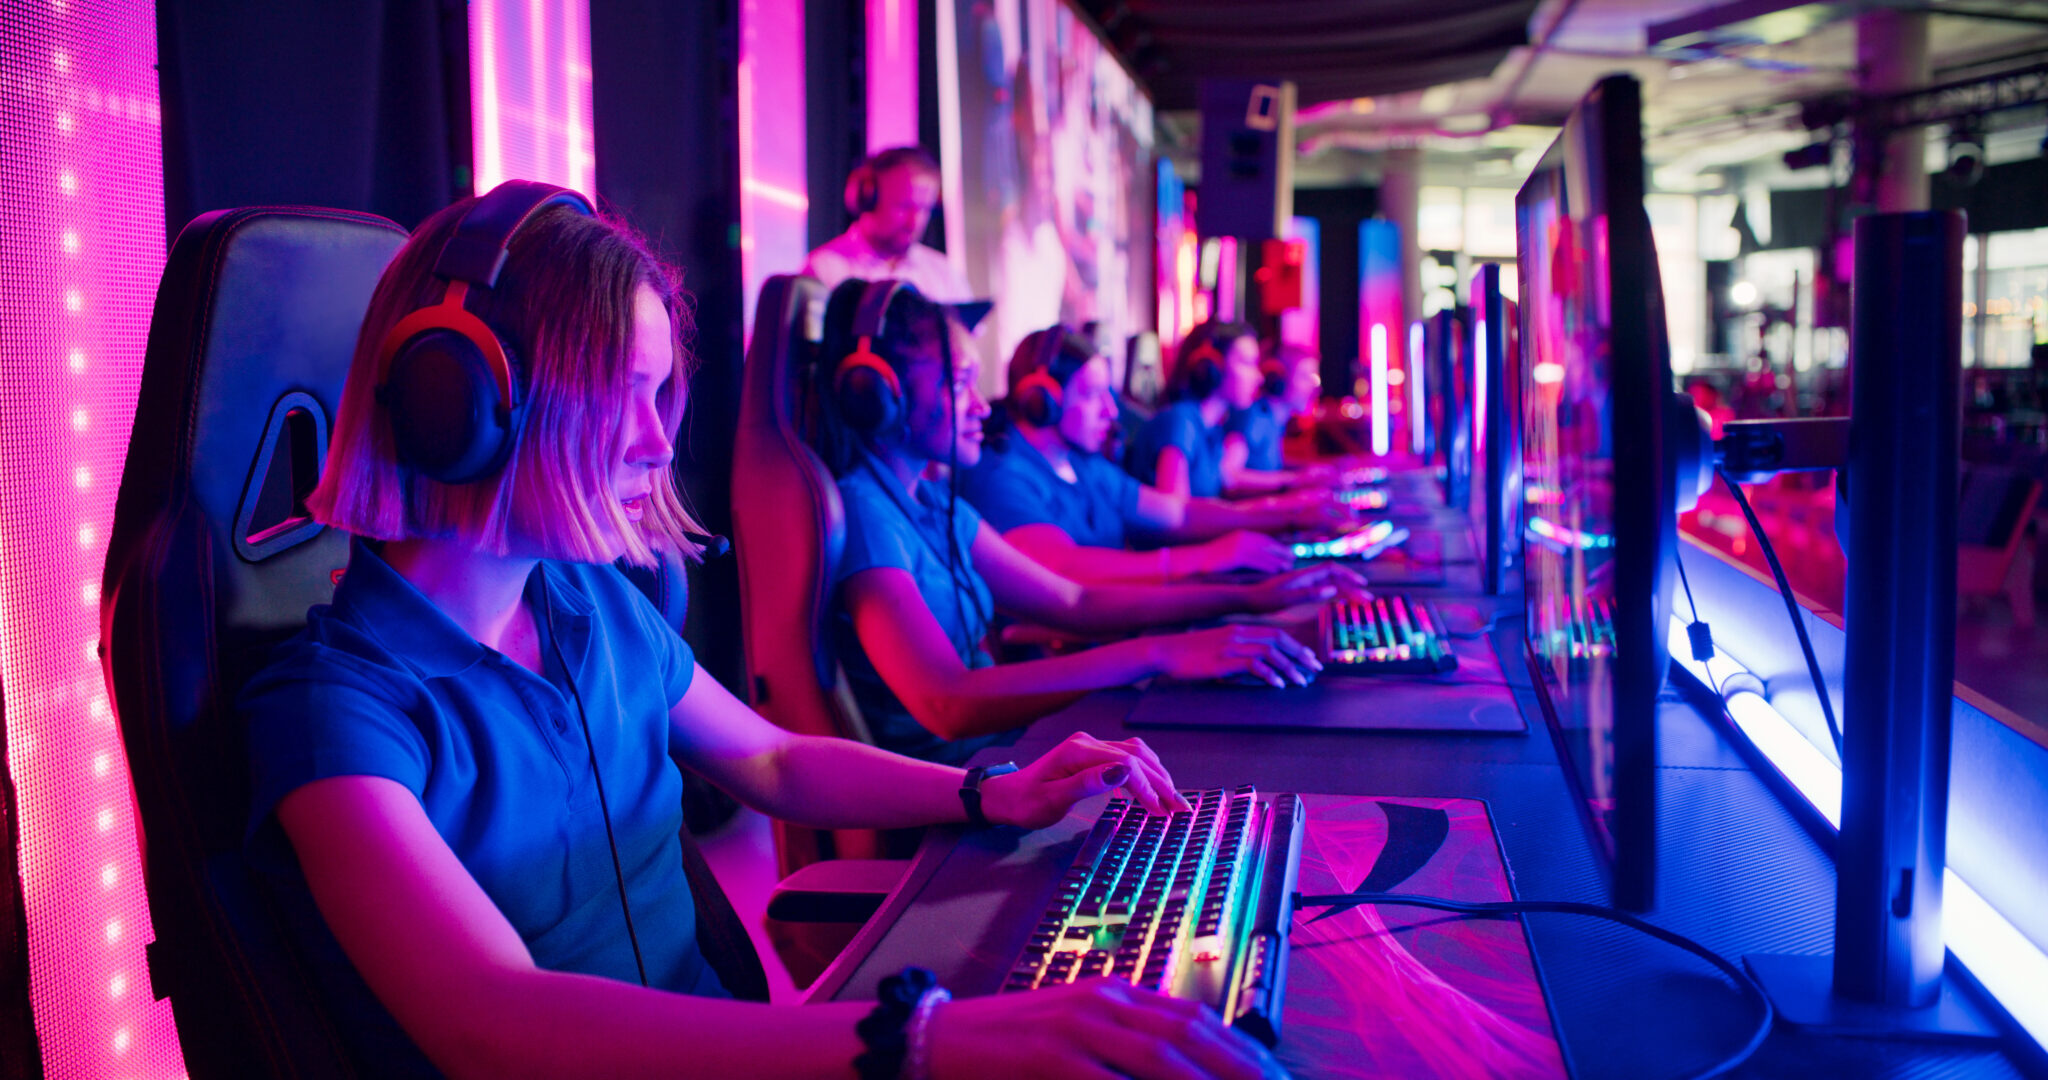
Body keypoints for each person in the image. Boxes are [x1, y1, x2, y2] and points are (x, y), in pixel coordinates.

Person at [242, 184, 1283, 1080]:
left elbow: (774, 760)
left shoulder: (588, 605)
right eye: (618, 394)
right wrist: (920, 1040)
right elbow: (491, 1024)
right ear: (463, 406)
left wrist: (988, 793)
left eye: (658, 395)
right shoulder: (335, 713)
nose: (657, 443)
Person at [817, 279, 1364, 766]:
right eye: (960, 383)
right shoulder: (867, 515)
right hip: (955, 797)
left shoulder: (938, 504)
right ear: (878, 397)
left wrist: (1248, 599)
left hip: (1004, 761)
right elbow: (947, 703)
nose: (982, 406)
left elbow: (1074, 602)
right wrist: (1160, 652)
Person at [964, 326, 1353, 585]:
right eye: (1092, 394)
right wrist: (1203, 560)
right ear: (1041, 400)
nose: (1111, 412)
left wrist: (1286, 517)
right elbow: (1062, 569)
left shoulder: (1084, 466)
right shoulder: (1003, 477)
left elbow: (1176, 512)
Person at [803, 146, 972, 303]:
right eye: (904, 207)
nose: (914, 221)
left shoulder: (945, 274)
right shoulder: (824, 270)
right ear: (868, 199)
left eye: (924, 209)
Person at [1220, 344, 1346, 495]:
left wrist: (1307, 470)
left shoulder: (1274, 420)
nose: (1314, 388)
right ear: (1278, 380)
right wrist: (1293, 479)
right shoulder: (1256, 417)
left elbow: (1267, 466)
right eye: (1305, 377)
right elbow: (1230, 476)